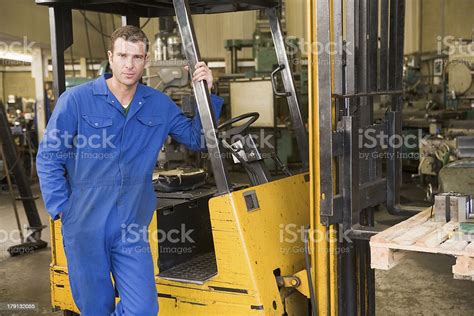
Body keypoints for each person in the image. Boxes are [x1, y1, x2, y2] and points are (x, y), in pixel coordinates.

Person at [36, 25, 223, 316]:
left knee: (143, 308)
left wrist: (207, 92)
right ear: (111, 57)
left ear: (146, 60)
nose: (129, 64)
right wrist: (61, 209)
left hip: (131, 225)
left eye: (136, 57)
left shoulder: (158, 104)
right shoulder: (76, 100)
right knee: (96, 308)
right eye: (123, 55)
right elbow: (49, 157)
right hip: (85, 224)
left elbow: (198, 139)